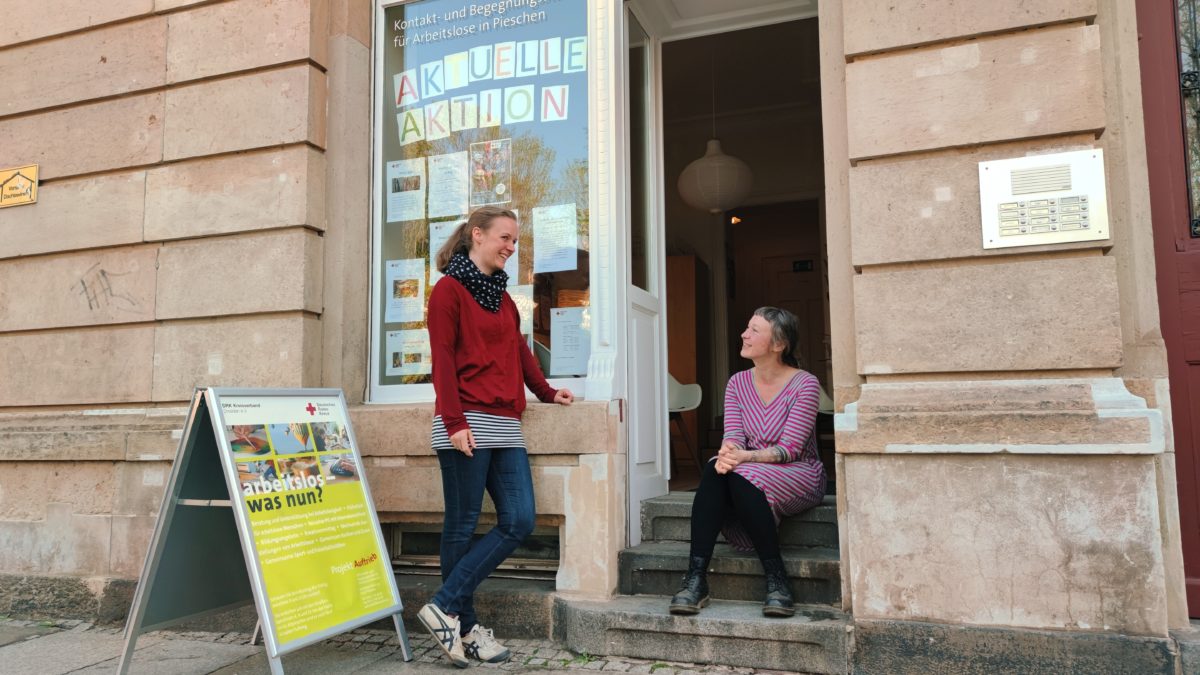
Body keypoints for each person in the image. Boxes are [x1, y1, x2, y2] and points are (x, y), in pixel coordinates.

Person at [417, 206, 574, 668]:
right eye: (505, 238)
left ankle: (443, 604)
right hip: (465, 421)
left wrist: (546, 391)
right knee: (461, 527)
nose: (511, 247)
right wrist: (453, 422)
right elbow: (442, 360)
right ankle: (464, 629)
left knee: (520, 519)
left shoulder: (504, 299)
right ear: (477, 235)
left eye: (514, 241)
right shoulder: (448, 291)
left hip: (505, 425)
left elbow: (520, 352)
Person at [669, 307, 826, 618]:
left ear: (778, 344)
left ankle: (776, 577)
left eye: (755, 330)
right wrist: (729, 453)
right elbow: (734, 436)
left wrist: (742, 458)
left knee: (740, 474)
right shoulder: (737, 383)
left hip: (799, 472)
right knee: (717, 469)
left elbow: (790, 449)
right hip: (747, 469)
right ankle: (696, 579)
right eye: (747, 327)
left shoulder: (805, 384)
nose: (745, 334)